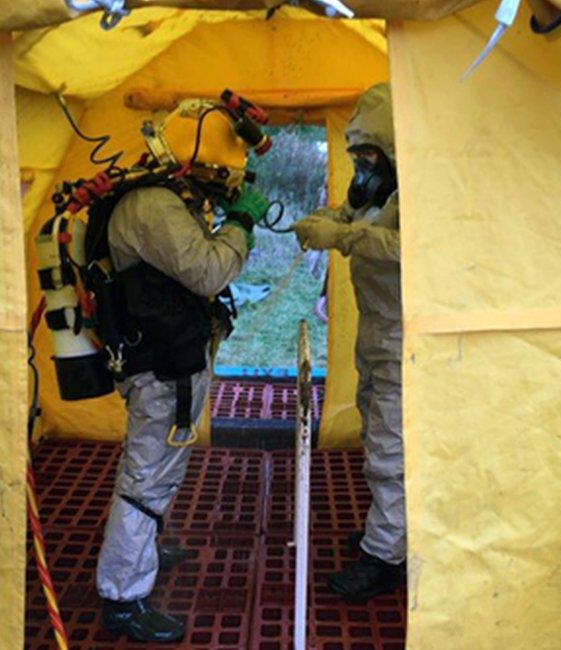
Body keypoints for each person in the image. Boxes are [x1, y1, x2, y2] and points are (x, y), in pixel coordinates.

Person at [95, 101, 270, 642]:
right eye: (222, 175)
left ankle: (140, 546)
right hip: (161, 367)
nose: (224, 188)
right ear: (198, 164)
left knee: (156, 469)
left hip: (172, 357)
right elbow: (209, 269)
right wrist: (240, 222)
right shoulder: (154, 207)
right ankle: (122, 596)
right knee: (148, 474)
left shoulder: (163, 198)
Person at [291, 83, 404, 603]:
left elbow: (408, 247)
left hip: (407, 337)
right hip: (377, 331)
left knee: (390, 447)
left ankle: (384, 557)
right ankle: (391, 530)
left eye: (369, 155)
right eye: (355, 155)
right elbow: (348, 216)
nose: (361, 166)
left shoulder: (420, 189)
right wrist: (322, 223)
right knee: (374, 426)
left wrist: (342, 238)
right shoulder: (373, 188)